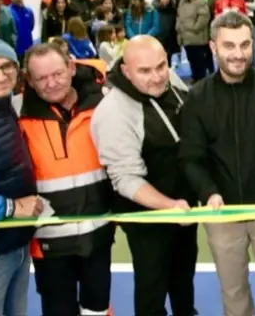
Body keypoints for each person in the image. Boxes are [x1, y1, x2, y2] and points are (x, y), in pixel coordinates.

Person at [179, 11, 255, 316]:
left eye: (245, 45)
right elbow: (191, 157)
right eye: (229, 46)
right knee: (233, 293)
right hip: (222, 213)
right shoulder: (197, 98)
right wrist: (209, 192)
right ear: (213, 47)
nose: (238, 54)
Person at [91, 36, 198, 316]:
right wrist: (169, 206)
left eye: (161, 66)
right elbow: (125, 178)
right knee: (152, 286)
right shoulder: (113, 112)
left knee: (183, 275)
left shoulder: (169, 79)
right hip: (147, 217)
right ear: (126, 71)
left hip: (184, 206)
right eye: (145, 71)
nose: (157, 76)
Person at [18, 43, 114, 315]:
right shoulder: (18, 113)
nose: (51, 84)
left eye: (57, 74)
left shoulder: (105, 102)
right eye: (41, 78)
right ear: (29, 81)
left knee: (97, 309)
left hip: (98, 236)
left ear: (71, 67)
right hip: (49, 244)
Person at [0, 38, 40, 316]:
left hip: (15, 244)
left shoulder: (3, 106)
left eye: (7, 66)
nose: (1, 76)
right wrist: (11, 208)